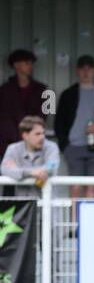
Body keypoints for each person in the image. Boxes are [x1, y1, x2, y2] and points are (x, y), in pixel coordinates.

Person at [55, 55, 94, 199]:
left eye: (89, 69)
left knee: (92, 187)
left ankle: (88, 221)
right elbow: (59, 122)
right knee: (75, 187)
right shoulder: (68, 94)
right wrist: (65, 145)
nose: (86, 72)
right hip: (73, 147)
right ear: (77, 71)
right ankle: (73, 221)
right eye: (82, 69)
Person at [0, 50, 49, 197]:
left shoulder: (45, 89)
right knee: (9, 180)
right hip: (8, 144)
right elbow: (2, 118)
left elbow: (48, 113)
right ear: (16, 65)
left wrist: (32, 135)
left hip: (34, 144)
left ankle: (38, 217)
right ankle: (7, 218)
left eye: (31, 63)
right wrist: (17, 136)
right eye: (26, 63)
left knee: (37, 179)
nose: (30, 66)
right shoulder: (3, 90)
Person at [1, 115, 60, 191]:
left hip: (47, 200)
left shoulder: (51, 147)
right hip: (24, 201)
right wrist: (31, 172)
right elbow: (4, 170)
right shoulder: (13, 148)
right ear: (25, 136)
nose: (42, 137)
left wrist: (19, 170)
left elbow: (51, 169)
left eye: (43, 133)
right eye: (37, 134)